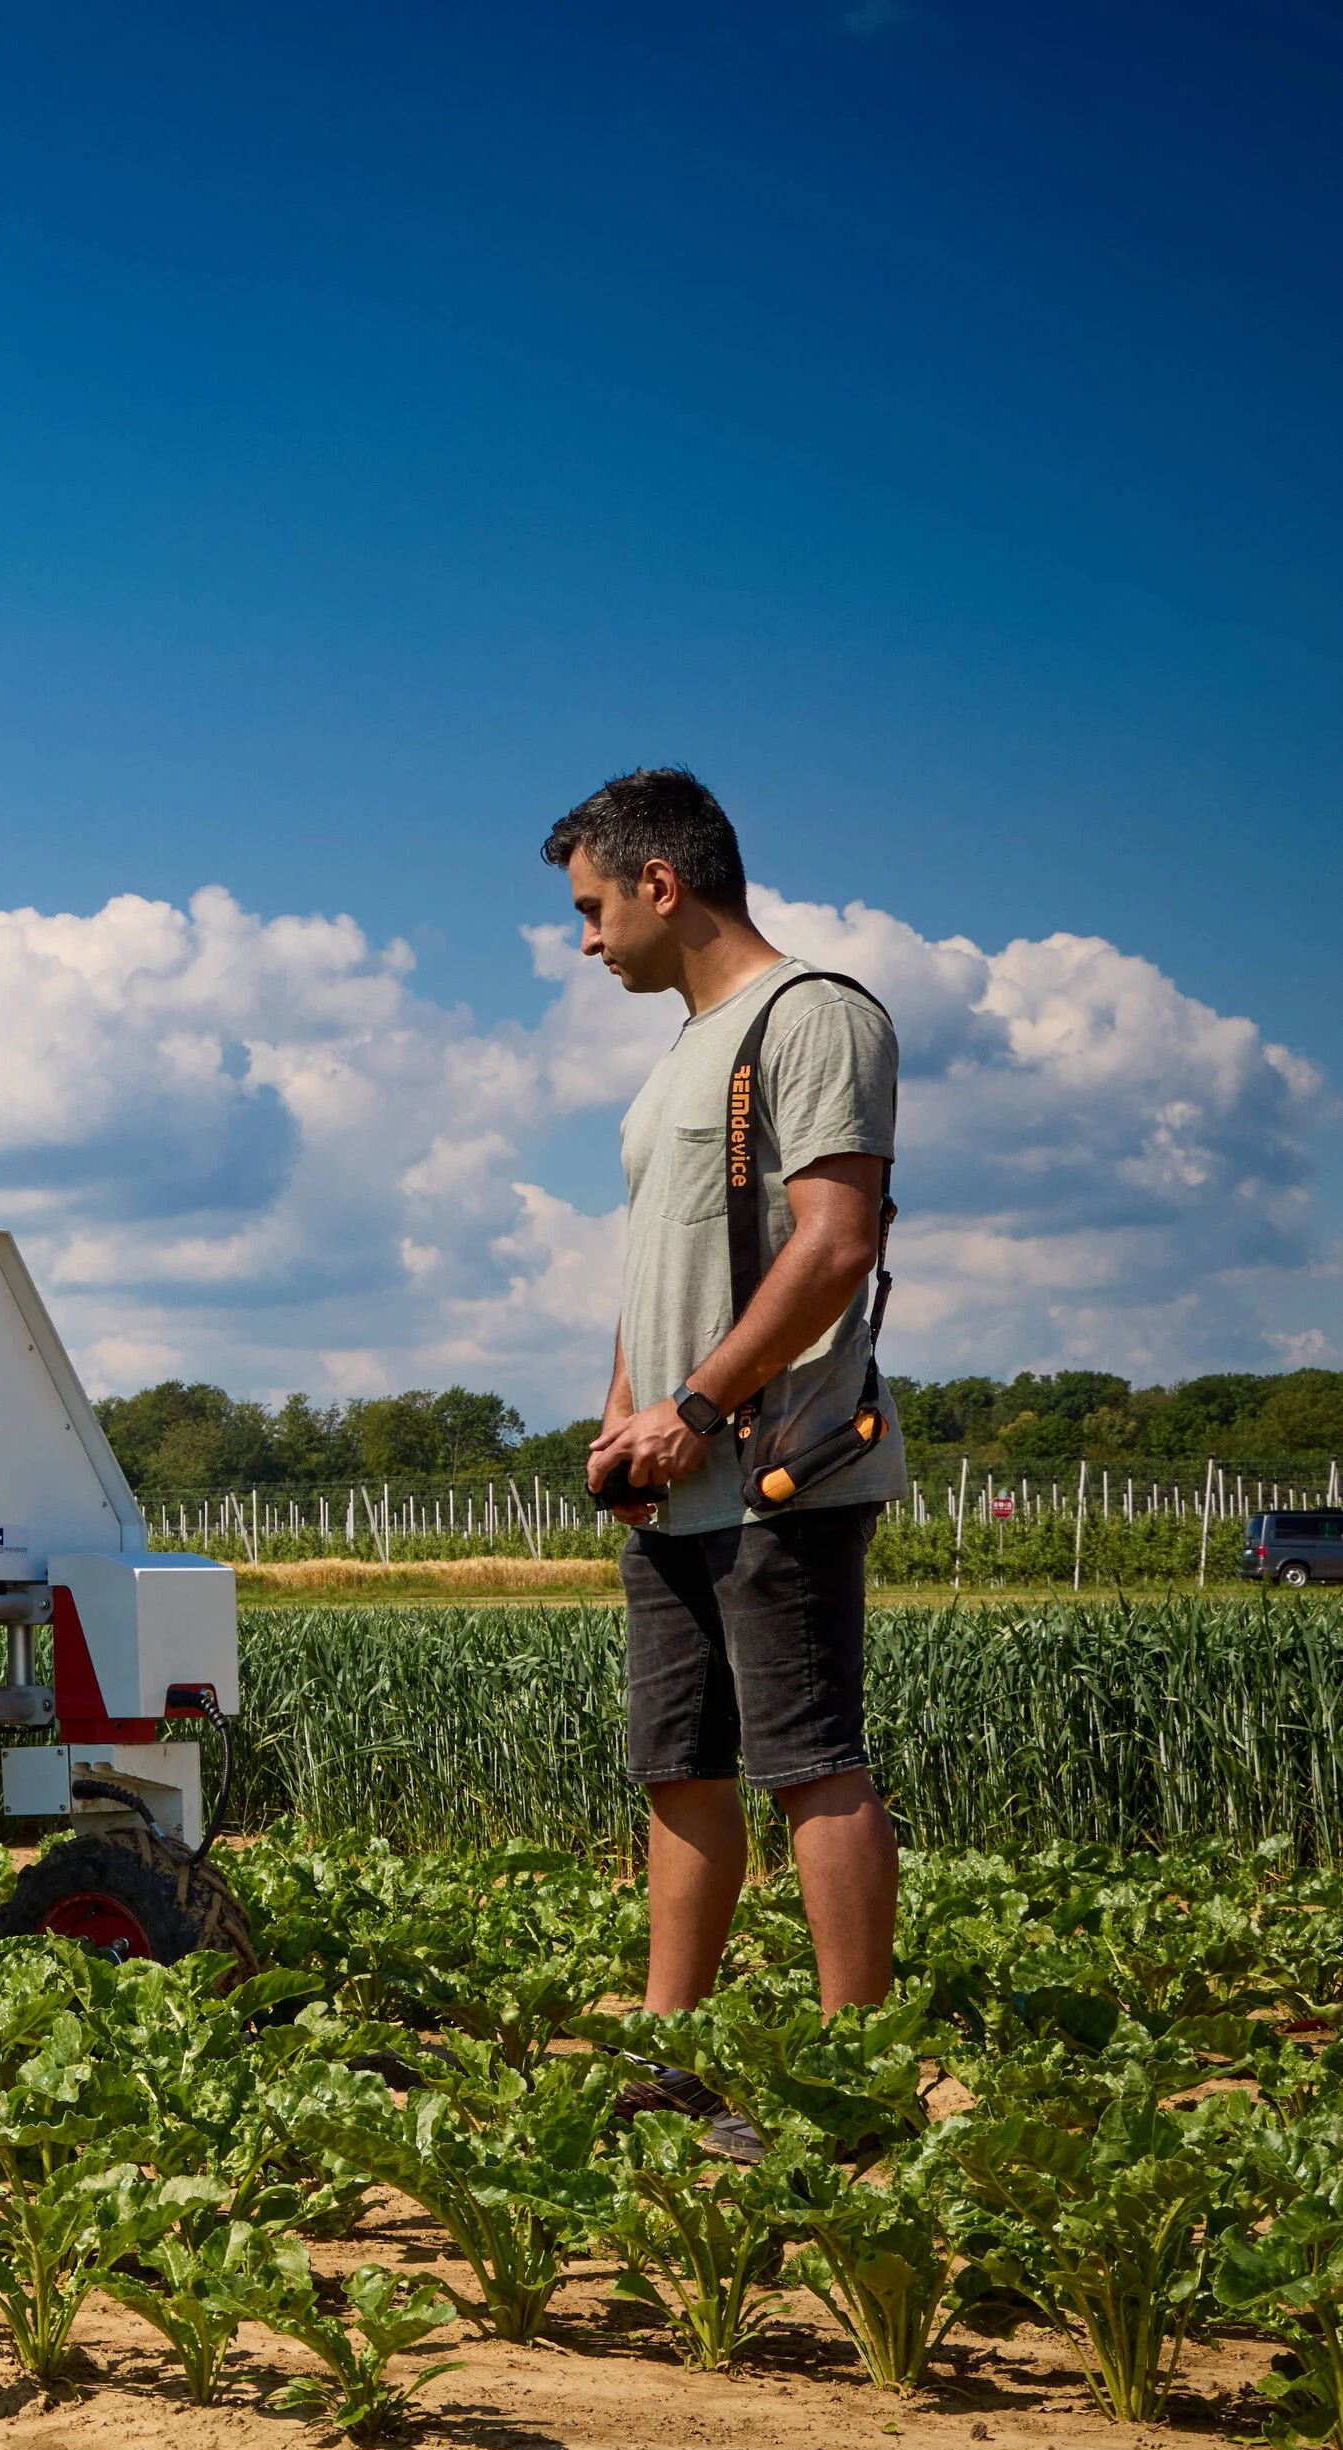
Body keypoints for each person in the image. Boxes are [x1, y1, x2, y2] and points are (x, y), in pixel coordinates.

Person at [552, 769, 906, 2132]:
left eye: (593, 909)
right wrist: (623, 1416)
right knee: (678, 1767)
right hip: (679, 1474)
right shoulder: (678, 1059)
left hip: (777, 1462)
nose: (588, 942)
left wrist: (692, 1409)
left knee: (811, 1760)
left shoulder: (813, 1016)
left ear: (661, 882)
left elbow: (835, 1241)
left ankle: (851, 2089)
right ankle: (668, 2065)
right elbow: (661, 1265)